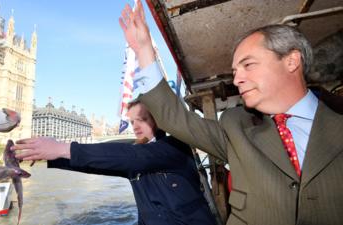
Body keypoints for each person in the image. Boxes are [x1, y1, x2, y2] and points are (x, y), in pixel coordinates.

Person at [118, 1, 343, 225]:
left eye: (248, 65)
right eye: (235, 71)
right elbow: (174, 118)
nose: (236, 79)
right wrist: (143, 49)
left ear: (292, 61)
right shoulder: (236, 126)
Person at [11, 101, 216, 225]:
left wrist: (62, 148)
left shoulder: (175, 147)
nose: (135, 127)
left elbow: (133, 156)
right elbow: (99, 162)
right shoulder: (135, 155)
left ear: (158, 120)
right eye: (132, 121)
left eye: (141, 119)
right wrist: (52, 156)